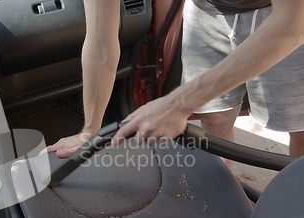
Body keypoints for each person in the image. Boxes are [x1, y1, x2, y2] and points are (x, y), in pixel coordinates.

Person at [46, 0, 304, 158]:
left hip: (280, 14)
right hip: (206, 10)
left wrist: (178, 104)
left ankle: (293, 210)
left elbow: (293, 24)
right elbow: (101, 44)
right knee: (214, 116)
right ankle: (225, 192)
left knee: (299, 125)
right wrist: (89, 132)